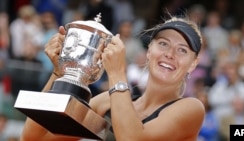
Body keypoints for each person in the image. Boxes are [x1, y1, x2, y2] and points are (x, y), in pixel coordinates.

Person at [20, 16, 205, 141]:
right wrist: (60, 73)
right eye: (163, 44)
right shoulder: (108, 101)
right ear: (149, 51)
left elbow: (131, 139)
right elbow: (34, 138)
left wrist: (116, 73)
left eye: (182, 50)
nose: (170, 54)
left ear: (193, 64)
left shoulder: (191, 108)